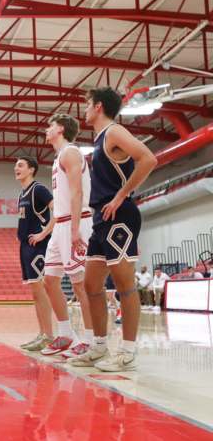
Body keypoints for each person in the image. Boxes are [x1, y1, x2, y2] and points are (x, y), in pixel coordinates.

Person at [68, 87, 157, 372]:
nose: (84, 109)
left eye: (86, 104)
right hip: (101, 218)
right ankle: (98, 346)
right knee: (92, 285)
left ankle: (128, 351)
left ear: (98, 107)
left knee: (124, 286)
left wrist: (121, 196)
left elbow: (148, 159)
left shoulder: (114, 133)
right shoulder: (98, 140)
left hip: (119, 214)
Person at [38, 114, 95, 358]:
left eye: (50, 126)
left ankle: (91, 340)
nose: (46, 130)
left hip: (75, 222)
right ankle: (66, 333)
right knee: (49, 280)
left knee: (81, 284)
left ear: (60, 128)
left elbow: (77, 192)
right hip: (60, 225)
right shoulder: (59, 156)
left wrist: (74, 230)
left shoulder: (71, 153)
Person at [14, 156, 55, 352]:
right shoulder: (22, 193)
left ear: (31, 169)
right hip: (25, 245)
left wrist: (43, 233)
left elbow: (58, 212)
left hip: (38, 245)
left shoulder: (38, 189)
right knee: (35, 293)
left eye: (20, 165)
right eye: (16, 165)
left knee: (40, 291)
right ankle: (42, 334)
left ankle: (49, 335)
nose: (16, 168)